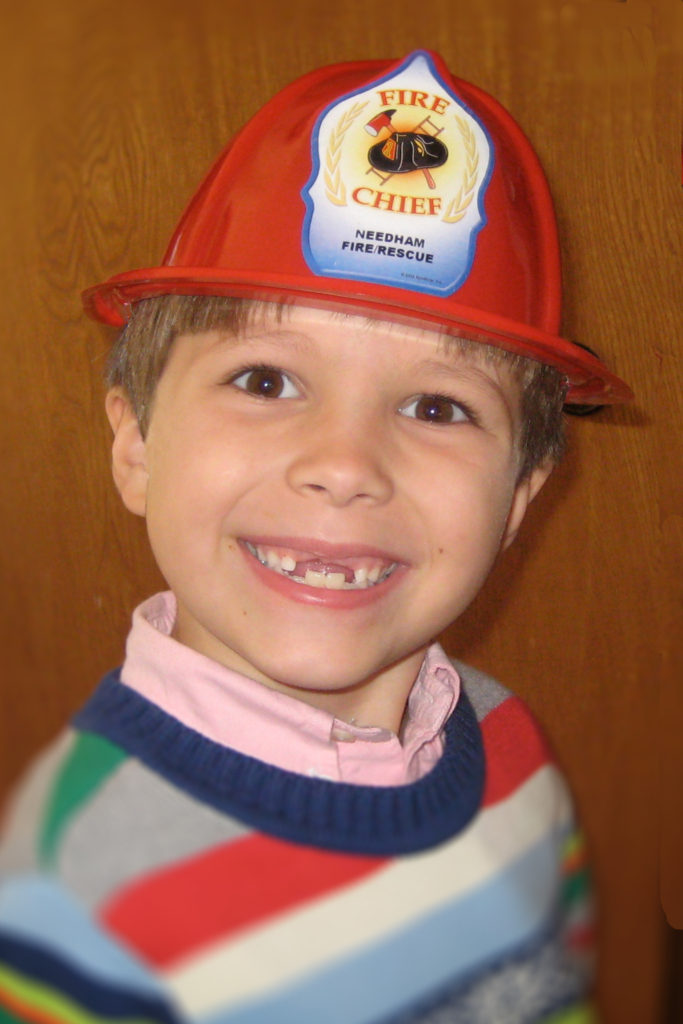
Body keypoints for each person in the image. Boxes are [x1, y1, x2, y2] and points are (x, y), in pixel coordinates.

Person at [0, 50, 631, 1024]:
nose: (344, 464)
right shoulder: (76, 893)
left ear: (516, 500)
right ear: (136, 447)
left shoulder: (510, 746)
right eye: (264, 381)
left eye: (436, 406)